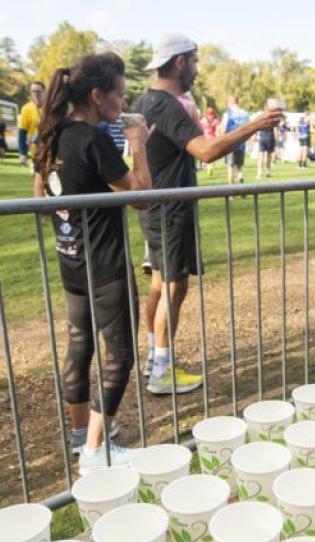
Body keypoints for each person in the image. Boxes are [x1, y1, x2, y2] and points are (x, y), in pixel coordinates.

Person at [135, 34, 283, 395]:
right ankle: (162, 370)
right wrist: (255, 125)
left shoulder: (147, 100)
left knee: (159, 283)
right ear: (180, 62)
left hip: (157, 208)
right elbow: (205, 150)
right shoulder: (166, 104)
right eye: (196, 62)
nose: (198, 71)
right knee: (174, 286)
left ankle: (154, 359)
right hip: (169, 210)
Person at [34, 52, 151, 470]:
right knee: (119, 355)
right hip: (105, 267)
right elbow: (140, 197)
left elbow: (40, 199)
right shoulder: (93, 138)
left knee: (80, 347)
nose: (122, 104)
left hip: (72, 264)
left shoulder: (52, 135)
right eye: (119, 95)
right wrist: (138, 146)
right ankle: (95, 453)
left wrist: (70, 221)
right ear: (98, 95)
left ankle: (82, 435)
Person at [220, 94, 250, 184]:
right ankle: (241, 184)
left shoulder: (228, 113)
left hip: (230, 143)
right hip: (241, 143)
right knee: (240, 167)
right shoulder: (245, 113)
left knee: (230, 167)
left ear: (230, 102)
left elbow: (224, 129)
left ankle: (231, 193)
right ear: (238, 101)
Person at [18, 80, 45, 168]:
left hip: (52, 150)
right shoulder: (26, 109)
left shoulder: (50, 107)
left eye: (38, 92)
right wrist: (23, 153)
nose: (36, 94)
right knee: (38, 179)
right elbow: (22, 132)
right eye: (33, 91)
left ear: (44, 92)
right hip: (36, 152)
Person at [256, 104, 278, 178]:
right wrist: (276, 139)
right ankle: (268, 171)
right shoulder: (273, 117)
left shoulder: (261, 117)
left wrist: (255, 136)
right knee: (268, 155)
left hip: (262, 137)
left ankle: (260, 172)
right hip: (270, 137)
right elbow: (275, 129)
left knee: (261, 155)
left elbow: (257, 126)